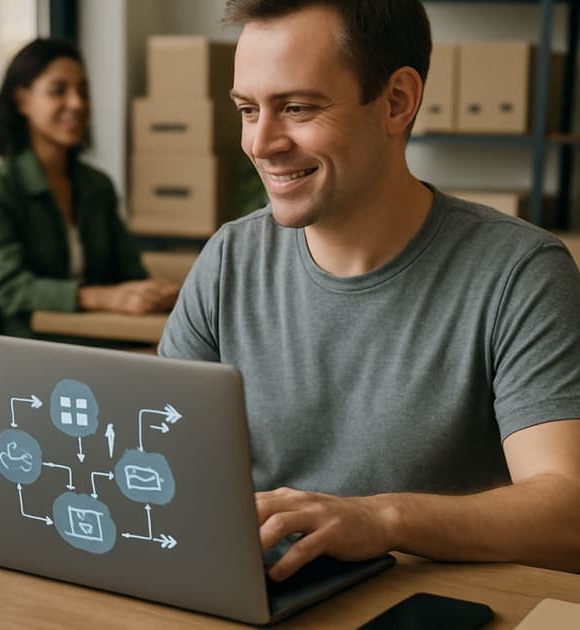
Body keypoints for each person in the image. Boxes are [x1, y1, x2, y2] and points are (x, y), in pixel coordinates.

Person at [160, 0, 580, 581]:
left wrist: (382, 519)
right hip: (271, 598)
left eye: (297, 107)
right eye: (247, 109)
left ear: (397, 101)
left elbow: (567, 514)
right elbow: (161, 460)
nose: (261, 142)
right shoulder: (230, 258)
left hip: (429, 607)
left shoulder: (521, 272)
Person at [0, 38, 179, 338]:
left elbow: (129, 273)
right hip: (27, 350)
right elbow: (8, 287)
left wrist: (158, 292)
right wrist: (101, 297)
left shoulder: (97, 185)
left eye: (83, 92)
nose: (77, 103)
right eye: (58, 91)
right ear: (22, 100)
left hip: (100, 339)